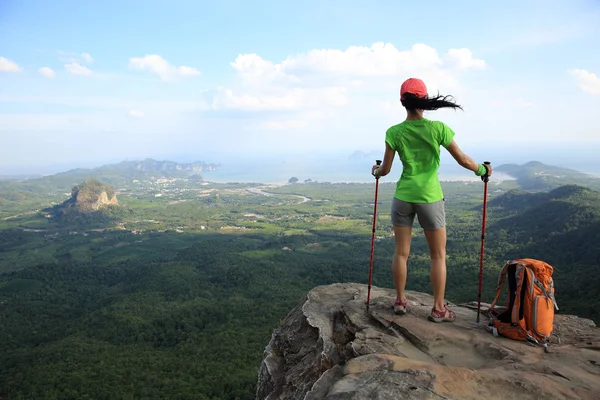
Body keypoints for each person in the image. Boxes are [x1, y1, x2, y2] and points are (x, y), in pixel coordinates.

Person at [371, 77, 491, 323]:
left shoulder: (394, 132)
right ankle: (438, 309)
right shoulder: (438, 128)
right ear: (423, 100)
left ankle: (400, 302)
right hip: (430, 198)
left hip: (403, 196)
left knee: (401, 254)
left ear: (402, 102)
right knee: (438, 255)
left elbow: (385, 170)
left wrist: (375, 171)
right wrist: (483, 170)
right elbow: (464, 161)